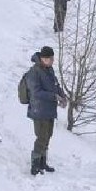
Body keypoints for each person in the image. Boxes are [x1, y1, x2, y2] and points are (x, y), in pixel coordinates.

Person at [25, 46, 68, 176]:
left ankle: (43, 163)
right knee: (41, 137)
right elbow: (36, 92)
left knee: (47, 136)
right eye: (50, 59)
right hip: (39, 110)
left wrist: (62, 95)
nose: (52, 61)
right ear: (43, 58)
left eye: (52, 58)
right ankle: (35, 165)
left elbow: (55, 85)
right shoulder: (34, 72)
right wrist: (54, 97)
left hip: (49, 110)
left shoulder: (49, 69)